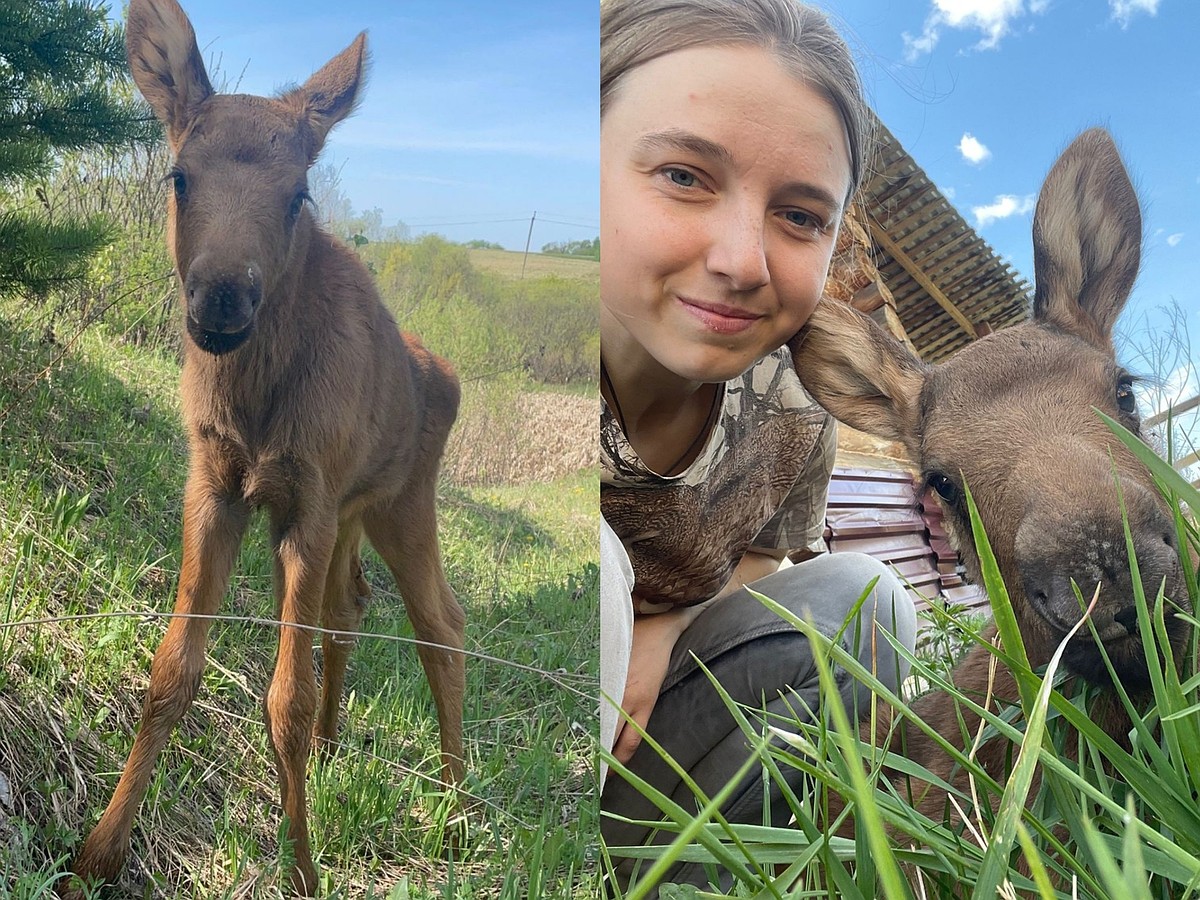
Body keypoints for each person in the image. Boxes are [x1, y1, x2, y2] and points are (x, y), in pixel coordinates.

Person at [598, 0, 918, 892]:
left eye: (801, 216)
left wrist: (663, 630)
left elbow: (762, 559)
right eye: (684, 176)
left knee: (872, 598)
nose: (745, 260)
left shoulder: (793, 405)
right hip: (512, 717)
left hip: (641, 741)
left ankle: (692, 873)